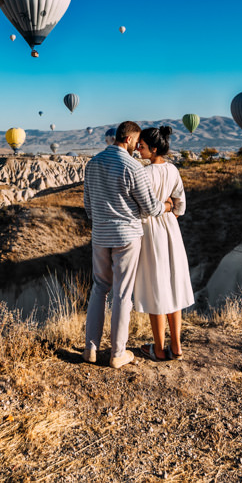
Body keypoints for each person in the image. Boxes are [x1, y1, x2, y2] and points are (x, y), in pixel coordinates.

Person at [83, 120, 174, 369]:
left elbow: (88, 208)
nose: (138, 146)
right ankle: (117, 353)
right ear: (129, 140)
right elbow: (152, 207)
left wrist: (104, 219)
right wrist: (168, 205)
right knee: (122, 293)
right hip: (126, 237)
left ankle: (90, 348)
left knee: (99, 289)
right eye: (137, 142)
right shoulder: (133, 167)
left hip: (100, 235)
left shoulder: (92, 164)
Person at [134, 126, 195, 361]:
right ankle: (177, 346)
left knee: (155, 290)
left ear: (154, 149)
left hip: (150, 231)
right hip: (171, 229)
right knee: (172, 286)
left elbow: (139, 208)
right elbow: (181, 206)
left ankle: (158, 350)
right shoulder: (173, 170)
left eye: (142, 146)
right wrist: (169, 208)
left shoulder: (143, 174)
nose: (138, 149)